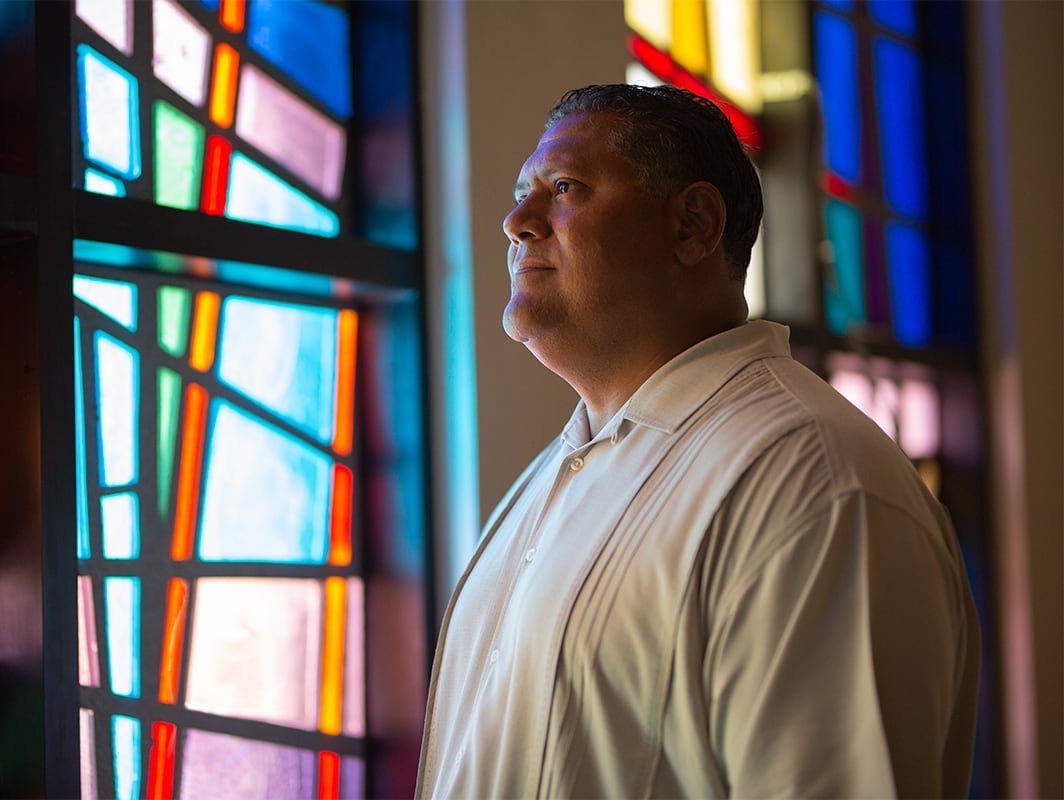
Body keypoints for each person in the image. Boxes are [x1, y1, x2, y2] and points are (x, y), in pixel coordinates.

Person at [415, 84, 980, 799]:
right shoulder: (554, 475)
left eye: (564, 187)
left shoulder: (811, 479)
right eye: (522, 192)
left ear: (693, 225)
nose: (516, 222)